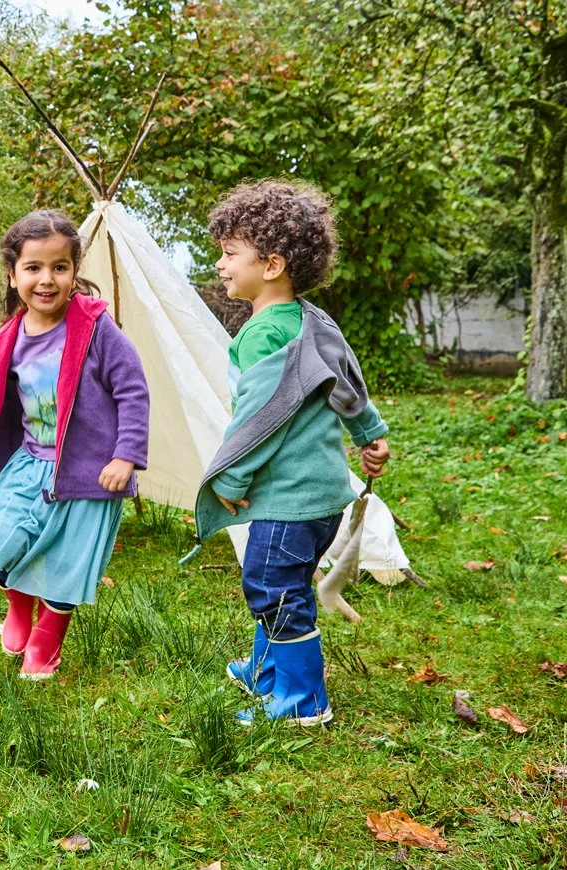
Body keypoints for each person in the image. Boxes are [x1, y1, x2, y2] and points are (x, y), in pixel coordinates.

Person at [193, 179, 390, 727]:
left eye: (230, 253)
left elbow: (260, 418)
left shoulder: (263, 335)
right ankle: (266, 673)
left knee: (271, 586)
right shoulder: (312, 320)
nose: (220, 264)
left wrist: (230, 478)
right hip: (322, 494)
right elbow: (346, 381)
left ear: (272, 264)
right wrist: (369, 434)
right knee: (287, 584)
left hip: (289, 496)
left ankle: (303, 701)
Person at [0, 210, 149, 680]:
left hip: (90, 471)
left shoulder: (95, 329)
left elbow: (133, 389)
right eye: (33, 267)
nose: (47, 279)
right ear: (13, 276)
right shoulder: (7, 339)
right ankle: (18, 601)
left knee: (69, 561)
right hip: (31, 462)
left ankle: (46, 641)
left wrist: (126, 455)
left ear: (75, 272)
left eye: (59, 267)